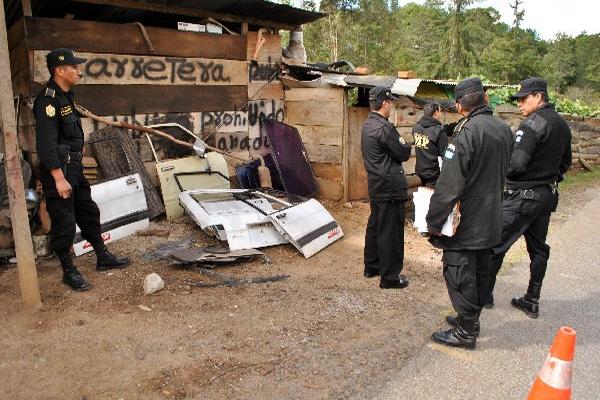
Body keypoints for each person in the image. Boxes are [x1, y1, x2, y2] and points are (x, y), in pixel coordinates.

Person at [426, 78, 513, 349]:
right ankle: (469, 319)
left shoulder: (467, 132)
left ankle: (466, 332)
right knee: (481, 269)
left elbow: (450, 183)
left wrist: (433, 220)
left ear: (459, 106)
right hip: (493, 216)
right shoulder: (504, 129)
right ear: (485, 98)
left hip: (469, 220)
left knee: (458, 269)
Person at [34, 48, 130, 291]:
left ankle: (102, 256)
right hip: (61, 171)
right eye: (74, 67)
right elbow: (45, 146)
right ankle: (68, 271)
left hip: (74, 168)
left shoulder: (67, 96)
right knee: (64, 221)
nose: (79, 70)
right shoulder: (47, 101)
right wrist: (58, 178)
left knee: (88, 211)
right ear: (59, 70)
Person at [486, 78, 572, 318]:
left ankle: (483, 297)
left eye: (524, 99)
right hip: (545, 196)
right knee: (538, 248)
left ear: (538, 97)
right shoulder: (562, 126)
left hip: (522, 197)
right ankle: (532, 299)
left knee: (495, 244)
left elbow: (515, 164)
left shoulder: (532, 124)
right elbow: (565, 163)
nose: (520, 104)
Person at [361, 86, 412, 289]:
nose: (392, 106)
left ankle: (371, 266)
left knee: (376, 226)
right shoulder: (384, 128)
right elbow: (403, 153)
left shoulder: (367, 125)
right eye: (391, 102)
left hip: (376, 184)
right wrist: (406, 145)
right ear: (384, 103)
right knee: (390, 232)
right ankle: (390, 277)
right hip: (390, 187)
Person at [413, 101, 449, 187]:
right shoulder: (439, 131)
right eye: (440, 111)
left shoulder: (416, 127)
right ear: (436, 112)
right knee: (433, 198)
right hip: (434, 174)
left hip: (420, 171)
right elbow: (446, 156)